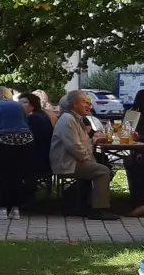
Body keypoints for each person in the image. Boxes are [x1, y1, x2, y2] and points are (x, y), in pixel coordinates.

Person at [49, 90, 117, 220]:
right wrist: (89, 159)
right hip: (67, 163)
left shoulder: (75, 119)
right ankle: (99, 209)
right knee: (102, 171)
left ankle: (84, 205)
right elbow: (75, 147)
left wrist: (94, 141)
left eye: (88, 103)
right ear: (74, 104)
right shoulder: (68, 120)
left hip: (74, 160)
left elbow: (82, 144)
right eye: (84, 102)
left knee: (101, 165)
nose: (89, 105)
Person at [0, 87, 34, 220]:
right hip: (25, 140)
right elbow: (25, 122)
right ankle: (15, 209)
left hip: (4, 139)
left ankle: (3, 208)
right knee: (17, 174)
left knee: (2, 174)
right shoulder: (18, 106)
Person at [22, 92, 54, 178]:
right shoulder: (43, 115)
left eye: (24, 102)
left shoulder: (33, 118)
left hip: (37, 161)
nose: (20, 105)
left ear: (33, 106)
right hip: (46, 159)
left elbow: (29, 141)